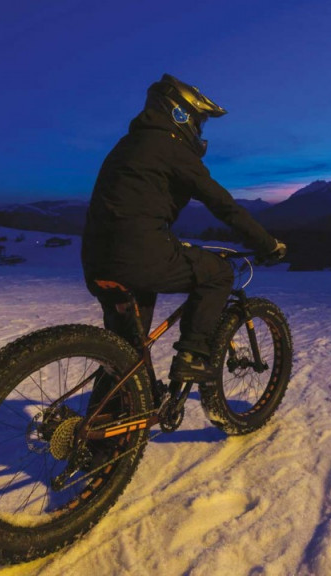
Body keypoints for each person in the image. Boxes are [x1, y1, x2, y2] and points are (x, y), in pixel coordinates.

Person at [81, 74, 286, 383]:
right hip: (138, 257)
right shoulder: (171, 147)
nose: (199, 129)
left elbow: (132, 208)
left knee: (125, 356)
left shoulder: (128, 145)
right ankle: (193, 355)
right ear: (181, 114)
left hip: (97, 258)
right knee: (218, 274)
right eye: (199, 121)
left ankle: (111, 424)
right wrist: (266, 243)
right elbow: (222, 203)